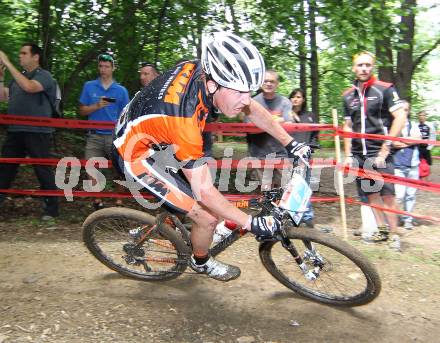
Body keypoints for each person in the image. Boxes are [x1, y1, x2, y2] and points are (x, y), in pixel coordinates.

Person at [113, 32, 311, 281]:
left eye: (249, 91)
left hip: (156, 134)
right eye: (239, 92)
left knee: (206, 193)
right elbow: (204, 191)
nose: (246, 100)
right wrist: (251, 223)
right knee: (207, 216)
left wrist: (291, 143)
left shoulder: (201, 68)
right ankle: (201, 261)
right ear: (212, 84)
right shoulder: (183, 122)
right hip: (135, 154)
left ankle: (174, 222)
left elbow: (252, 109)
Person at [342, 51, 406, 251]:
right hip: (359, 155)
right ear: (354, 68)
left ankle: (395, 235)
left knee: (388, 196)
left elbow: (400, 116)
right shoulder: (347, 95)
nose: (363, 68)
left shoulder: (385, 89)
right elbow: (347, 127)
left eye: (367, 65)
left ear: (373, 67)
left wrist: (386, 147)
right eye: (360, 65)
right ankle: (382, 230)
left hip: (380, 152)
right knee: (371, 195)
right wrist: (348, 155)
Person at [0, 43, 59, 220]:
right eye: (19, 53)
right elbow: (3, 97)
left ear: (35, 57)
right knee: (5, 168)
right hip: (15, 130)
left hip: (37, 131)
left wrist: (7, 63)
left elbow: (29, 87)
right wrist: (1, 77)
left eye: (24, 53)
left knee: (42, 169)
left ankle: (52, 210)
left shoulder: (45, 76)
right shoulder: (19, 77)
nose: (20, 56)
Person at [79, 53, 130, 210]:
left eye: (107, 66)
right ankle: (98, 202)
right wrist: (96, 106)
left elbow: (126, 114)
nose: (103, 69)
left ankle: (119, 202)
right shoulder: (89, 86)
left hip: (114, 136)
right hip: (94, 134)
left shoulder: (121, 91)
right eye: (101, 66)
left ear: (113, 68)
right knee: (92, 167)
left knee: (120, 168)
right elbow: (81, 111)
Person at [244, 70, 292, 189]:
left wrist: (261, 123)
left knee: (287, 189)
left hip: (281, 152)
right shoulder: (251, 102)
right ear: (261, 83)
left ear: (277, 84)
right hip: (259, 153)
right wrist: (277, 120)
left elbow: (289, 124)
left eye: (272, 81)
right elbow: (249, 129)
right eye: (266, 81)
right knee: (267, 192)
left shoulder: (284, 102)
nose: (269, 84)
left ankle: (284, 208)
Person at [288, 88, 318, 228]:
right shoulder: (285, 115)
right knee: (288, 186)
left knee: (302, 186)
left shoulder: (310, 116)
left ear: (303, 99)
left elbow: (315, 134)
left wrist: (311, 147)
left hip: (304, 157)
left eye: (299, 97)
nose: (295, 99)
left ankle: (307, 217)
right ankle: (290, 217)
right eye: (293, 96)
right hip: (286, 155)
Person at [393, 101, 421, 230]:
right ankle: (395, 217)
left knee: (410, 194)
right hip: (398, 165)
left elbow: (418, 139)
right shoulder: (393, 125)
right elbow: (393, 143)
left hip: (413, 165)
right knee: (399, 195)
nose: (404, 111)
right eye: (402, 109)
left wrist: (402, 142)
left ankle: (407, 219)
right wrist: (410, 141)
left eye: (406, 109)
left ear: (408, 111)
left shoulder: (414, 125)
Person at [417, 110, 436, 181]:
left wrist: (430, 147)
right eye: (420, 115)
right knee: (418, 162)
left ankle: (428, 179)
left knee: (428, 163)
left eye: (423, 115)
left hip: (426, 147)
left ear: (425, 117)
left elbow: (433, 136)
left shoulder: (430, 126)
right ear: (418, 117)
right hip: (418, 147)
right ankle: (420, 179)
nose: (421, 117)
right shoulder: (416, 125)